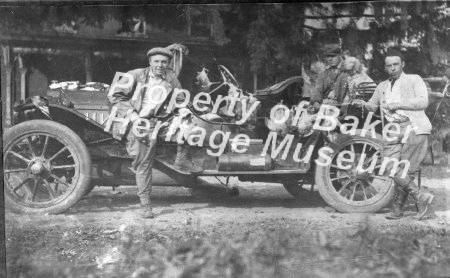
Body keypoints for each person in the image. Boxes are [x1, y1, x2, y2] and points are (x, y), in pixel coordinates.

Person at [108, 46, 203, 218]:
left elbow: (180, 99)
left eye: (164, 62)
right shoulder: (135, 75)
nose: (160, 65)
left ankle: (182, 159)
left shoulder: (171, 78)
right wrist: (134, 116)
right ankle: (146, 204)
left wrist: (182, 110)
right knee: (144, 162)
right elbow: (115, 95)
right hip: (136, 121)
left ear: (168, 63)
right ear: (150, 62)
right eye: (157, 61)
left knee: (193, 124)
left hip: (160, 120)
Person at [359, 48, 434, 220]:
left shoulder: (414, 79)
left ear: (402, 64)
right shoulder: (382, 86)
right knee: (388, 166)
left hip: (414, 126)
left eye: (396, 64)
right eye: (389, 65)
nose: (392, 68)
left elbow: (423, 101)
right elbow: (373, 104)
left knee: (406, 169)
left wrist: (399, 104)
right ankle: (421, 197)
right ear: (385, 68)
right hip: (393, 129)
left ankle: (398, 209)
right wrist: (364, 104)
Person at [310, 44, 347, 108]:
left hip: (346, 106)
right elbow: (318, 90)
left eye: (333, 56)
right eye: (327, 56)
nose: (330, 59)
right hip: (328, 107)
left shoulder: (349, 70)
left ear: (340, 55)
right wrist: (316, 102)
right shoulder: (323, 74)